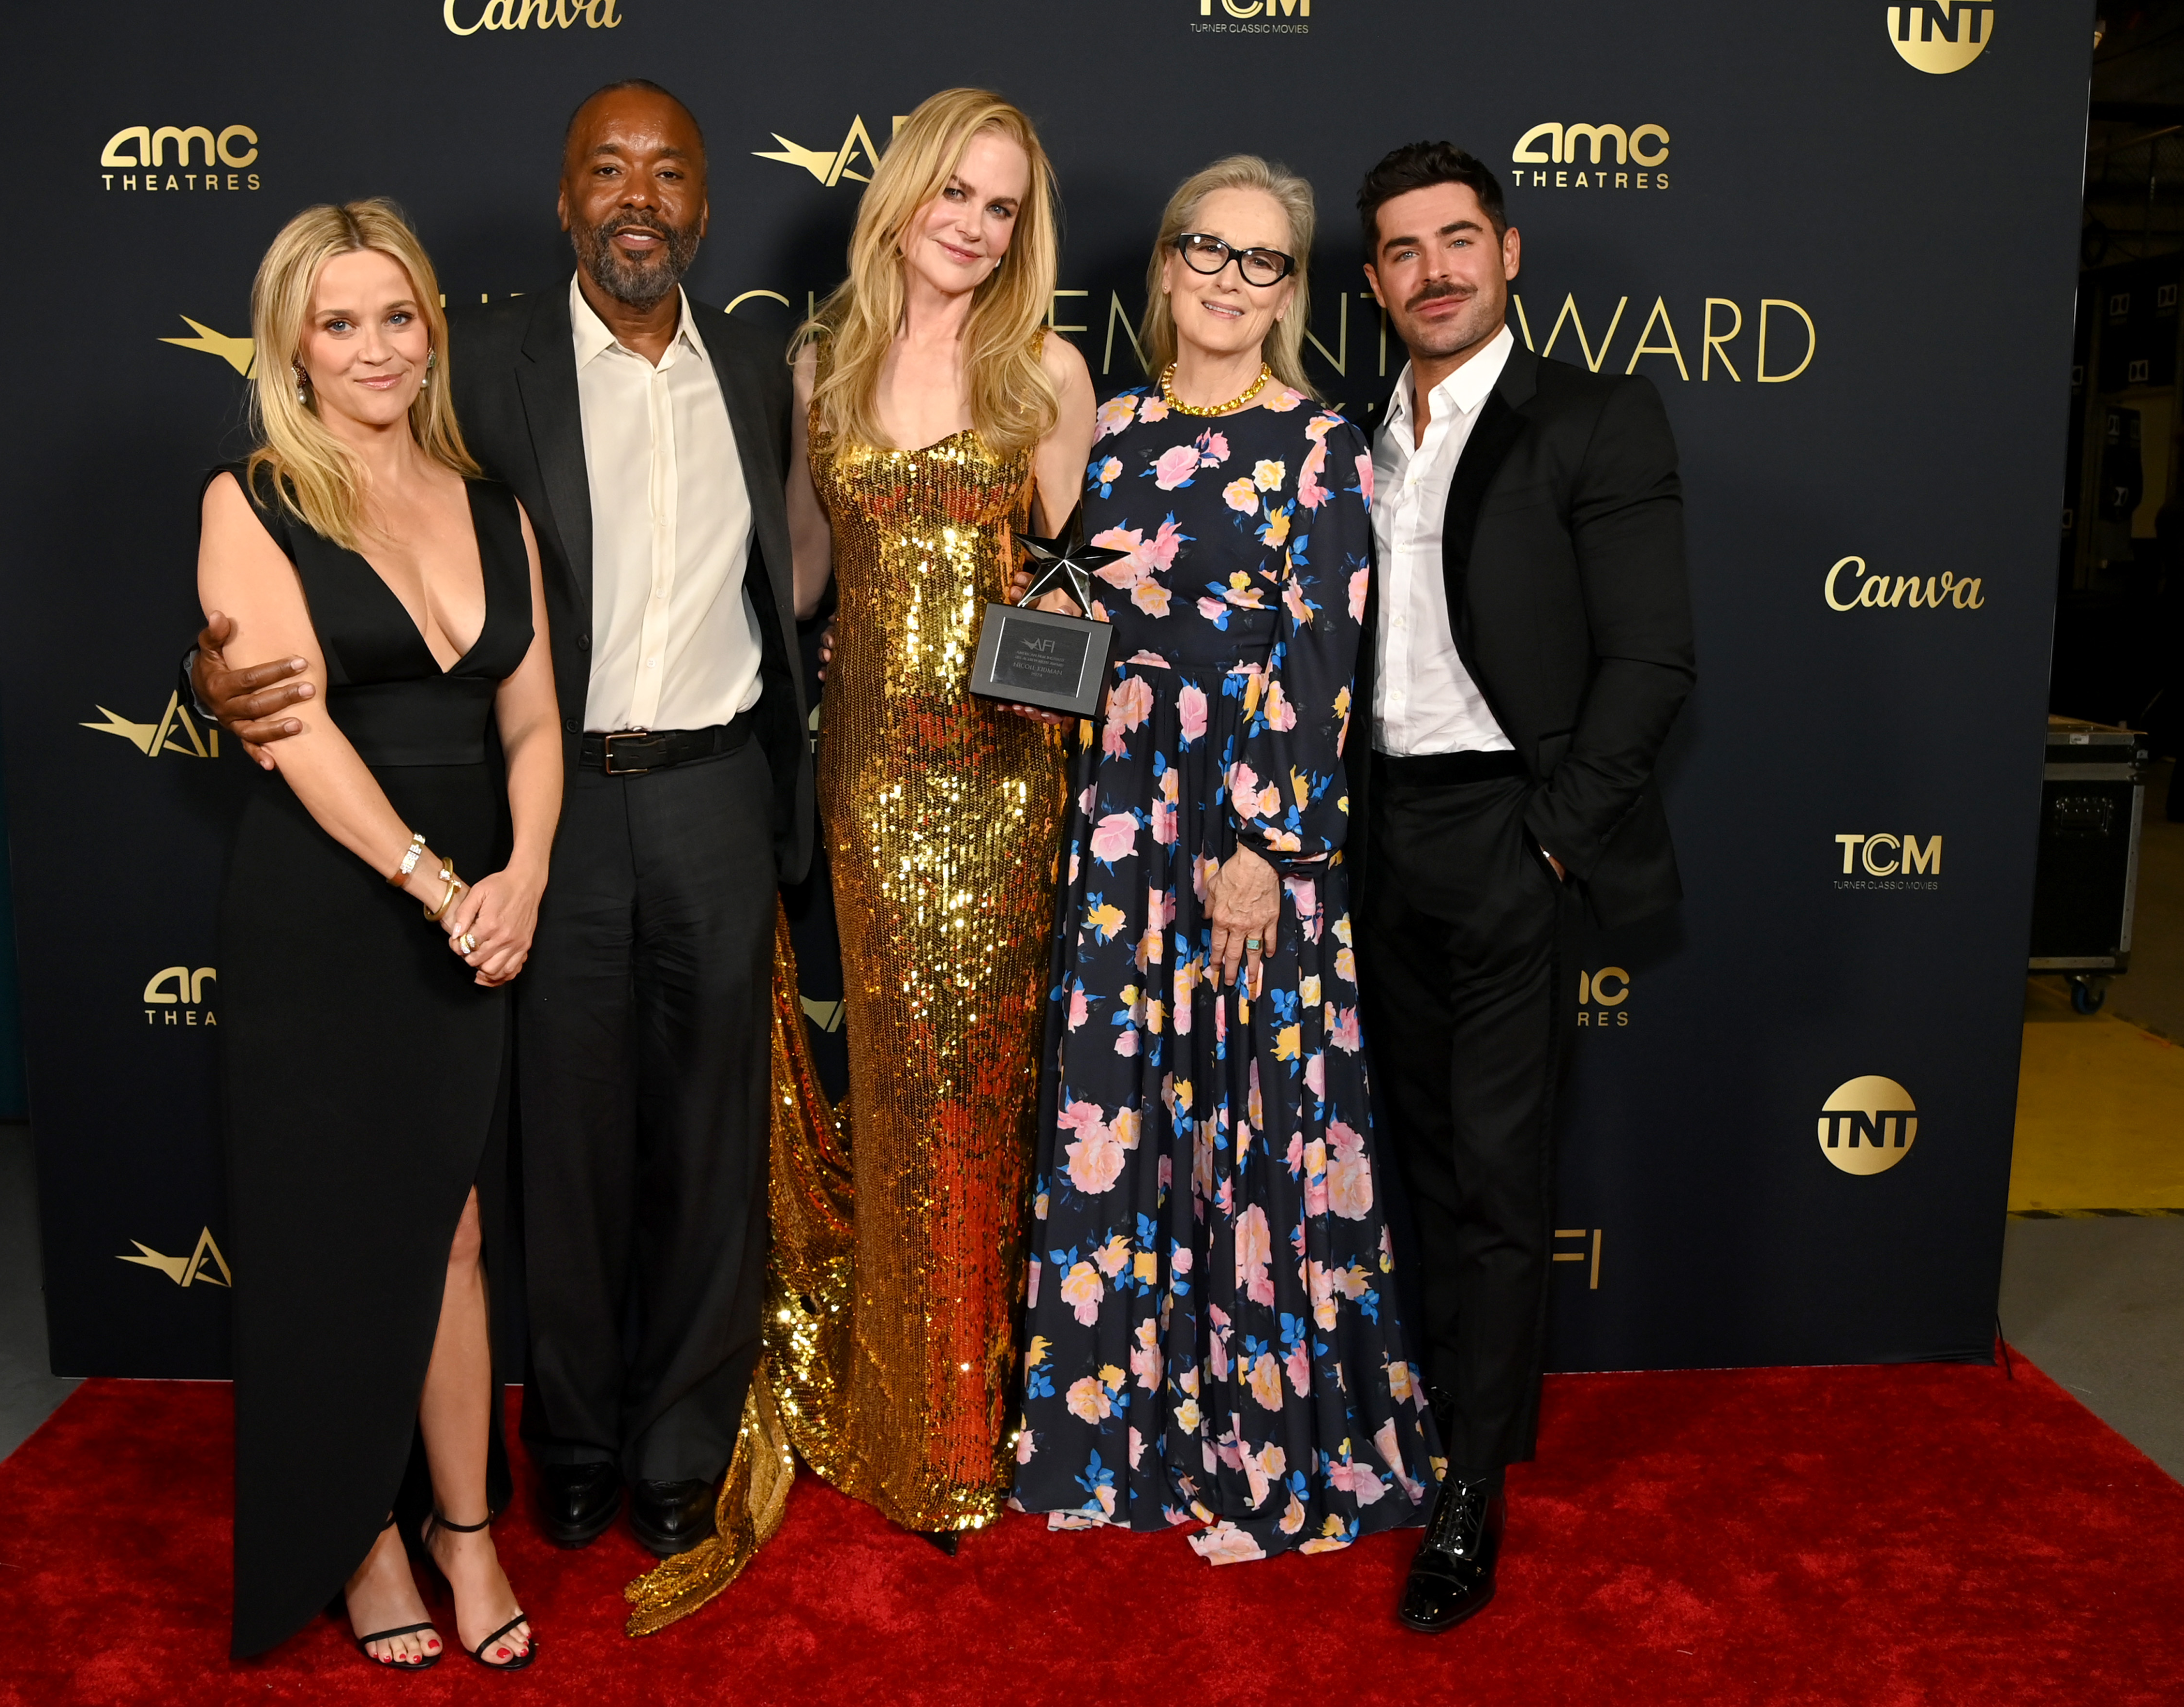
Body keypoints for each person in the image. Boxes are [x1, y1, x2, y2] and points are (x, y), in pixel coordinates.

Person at [193, 82, 813, 1568]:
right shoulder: (479, 362)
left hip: (721, 788)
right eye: (608, 169)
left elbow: (809, 558)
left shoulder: (756, 359)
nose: (639, 197)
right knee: (566, 1148)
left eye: (670, 173)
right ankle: (580, 1440)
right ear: (563, 200)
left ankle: (683, 1442)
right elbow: (334, 527)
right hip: (558, 811)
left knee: (711, 1144)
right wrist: (211, 667)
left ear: (707, 208)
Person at [1009, 155, 1440, 1563]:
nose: (1230, 281)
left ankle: (1259, 1431)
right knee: (1124, 1107)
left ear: (1293, 290)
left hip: (1247, 837)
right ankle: (1122, 1429)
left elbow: (1322, 652)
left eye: (1263, 262)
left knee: (1252, 1119)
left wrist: (1262, 838)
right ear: (1168, 264)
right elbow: (1057, 614)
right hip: (1122, 822)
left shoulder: (1320, 445)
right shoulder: (1108, 427)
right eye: (1209, 249)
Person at [200, 199, 557, 1668]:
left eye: (396, 316)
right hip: (334, 908)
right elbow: (292, 734)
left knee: (455, 1232)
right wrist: (438, 881)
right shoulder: (251, 497)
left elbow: (531, 713)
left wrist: (526, 870)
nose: (373, 348)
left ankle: (463, 1530)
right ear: (293, 339)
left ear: (432, 327)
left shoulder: (494, 505)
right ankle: (354, 1535)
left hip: (480, 907)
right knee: (332, 1237)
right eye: (338, 322)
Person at [1347, 141, 1693, 1632]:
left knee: (1497, 1178)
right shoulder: (1349, 435)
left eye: (1457, 241)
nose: (1434, 270)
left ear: (1510, 251)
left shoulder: (1591, 417)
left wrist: (1551, 833)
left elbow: (1653, 662)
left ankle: (1472, 1488)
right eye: (1405, 251)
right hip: (1369, 835)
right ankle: (1452, 1420)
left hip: (1506, 829)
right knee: (1421, 1167)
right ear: (1373, 281)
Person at [776, 87, 1094, 1548]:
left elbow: (1073, 594)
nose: (972, 225)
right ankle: (908, 1397)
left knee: (986, 1091)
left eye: (1002, 206)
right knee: (901, 1086)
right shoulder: (820, 365)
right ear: (900, 194)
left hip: (1002, 782)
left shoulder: (1047, 372)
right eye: (953, 193)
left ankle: (977, 1421)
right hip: (867, 782)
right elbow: (795, 573)